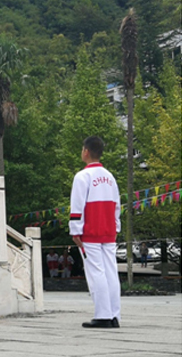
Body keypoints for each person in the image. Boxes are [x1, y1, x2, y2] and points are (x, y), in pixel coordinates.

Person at [69, 136, 121, 329]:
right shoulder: (109, 176)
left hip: (91, 231)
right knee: (110, 271)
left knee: (95, 272)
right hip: (108, 230)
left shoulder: (82, 177)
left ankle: (102, 314)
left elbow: (77, 205)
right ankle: (115, 314)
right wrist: (116, 227)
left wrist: (75, 230)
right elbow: (117, 206)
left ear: (86, 151)